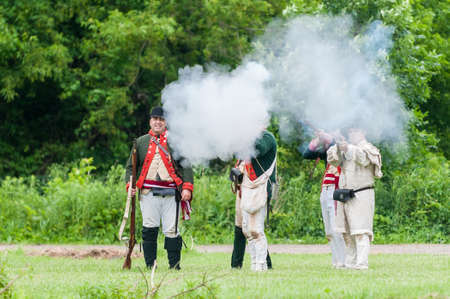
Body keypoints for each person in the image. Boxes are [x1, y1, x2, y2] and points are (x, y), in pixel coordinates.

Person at [125, 106, 194, 270]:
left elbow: (186, 166)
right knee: (149, 229)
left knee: (172, 230)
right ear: (150, 121)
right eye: (155, 119)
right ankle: (150, 265)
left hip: (171, 194)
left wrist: (187, 188)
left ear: (166, 123)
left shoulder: (175, 142)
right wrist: (131, 185)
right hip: (148, 193)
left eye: (161, 120)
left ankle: (174, 266)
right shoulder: (141, 142)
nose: (158, 122)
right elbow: (130, 168)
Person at [327, 127, 382, 270]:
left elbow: (363, 159)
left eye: (355, 131)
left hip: (362, 194)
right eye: (350, 131)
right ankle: (350, 263)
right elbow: (333, 160)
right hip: (346, 194)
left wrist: (348, 148)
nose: (352, 134)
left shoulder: (368, 148)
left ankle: (362, 263)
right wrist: (340, 146)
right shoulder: (347, 148)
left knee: (361, 231)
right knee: (346, 233)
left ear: (363, 132)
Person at [230, 130, 277, 272]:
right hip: (247, 189)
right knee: (247, 230)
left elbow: (259, 149)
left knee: (256, 229)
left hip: (260, 189)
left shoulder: (267, 137)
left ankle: (261, 264)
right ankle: (254, 263)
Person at [303, 130, 346, 268]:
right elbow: (307, 154)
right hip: (325, 191)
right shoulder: (327, 153)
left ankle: (343, 261)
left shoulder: (342, 149)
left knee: (336, 229)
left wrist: (327, 136)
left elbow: (337, 145)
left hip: (336, 190)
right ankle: (335, 261)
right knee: (329, 231)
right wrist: (317, 140)